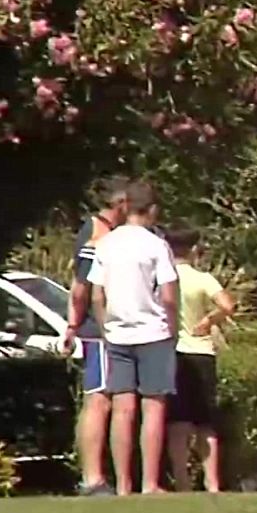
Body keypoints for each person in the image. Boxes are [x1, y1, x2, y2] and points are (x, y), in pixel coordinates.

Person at [87, 181, 179, 495]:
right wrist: (173, 328)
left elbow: (96, 295)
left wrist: (105, 326)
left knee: (122, 408)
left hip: (117, 333)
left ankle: (124, 484)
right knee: (153, 407)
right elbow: (168, 294)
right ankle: (149, 483)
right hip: (153, 331)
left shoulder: (107, 244)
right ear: (152, 210)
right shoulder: (155, 245)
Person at [60, 176, 131, 496]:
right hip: (99, 331)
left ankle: (109, 476)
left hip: (116, 329)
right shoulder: (95, 234)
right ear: (119, 204)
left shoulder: (113, 235)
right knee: (98, 400)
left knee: (113, 400)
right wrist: (73, 325)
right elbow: (80, 287)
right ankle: (92, 478)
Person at [164, 227, 235, 492]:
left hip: (173, 351)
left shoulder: (162, 279)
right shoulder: (202, 278)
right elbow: (228, 305)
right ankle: (212, 482)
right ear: (194, 250)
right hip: (202, 351)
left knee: (178, 422)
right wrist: (209, 320)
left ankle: (182, 481)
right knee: (205, 422)